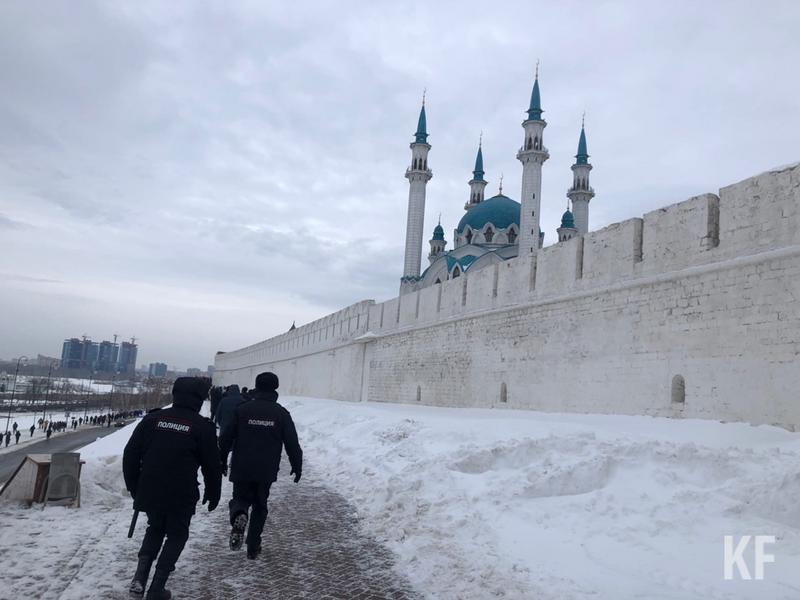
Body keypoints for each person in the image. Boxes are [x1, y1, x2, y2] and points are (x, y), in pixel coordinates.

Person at [122, 377, 221, 599]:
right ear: (199, 399)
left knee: (155, 528)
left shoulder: (152, 420)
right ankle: (157, 587)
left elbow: (130, 455)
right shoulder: (202, 427)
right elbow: (212, 466)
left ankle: (140, 577)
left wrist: (134, 486)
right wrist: (213, 493)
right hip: (181, 492)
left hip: (150, 488)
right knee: (177, 534)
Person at [219, 372, 302, 559]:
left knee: (239, 498)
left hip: (242, 465)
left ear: (256, 386)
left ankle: (239, 514)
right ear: (276, 388)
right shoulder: (281, 413)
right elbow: (292, 442)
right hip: (266, 468)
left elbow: (225, 437)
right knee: (260, 505)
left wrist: (221, 460)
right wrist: (297, 465)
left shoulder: (242, 409)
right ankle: (253, 546)